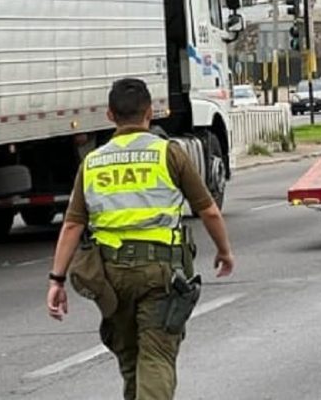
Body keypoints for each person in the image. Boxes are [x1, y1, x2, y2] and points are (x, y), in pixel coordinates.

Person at [46, 78, 234, 400]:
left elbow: (73, 225)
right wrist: (224, 251)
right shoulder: (168, 153)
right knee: (157, 357)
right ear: (150, 113)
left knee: (131, 360)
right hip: (160, 273)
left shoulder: (92, 163)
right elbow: (209, 210)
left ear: (109, 115)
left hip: (111, 276)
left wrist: (57, 280)